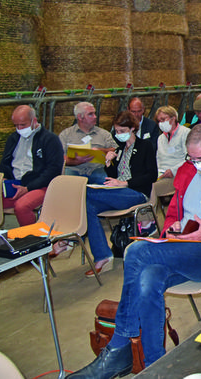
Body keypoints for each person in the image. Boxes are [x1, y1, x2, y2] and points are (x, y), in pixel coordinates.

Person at [67, 124, 201, 378]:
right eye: (191, 158)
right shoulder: (188, 171)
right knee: (148, 277)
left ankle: (119, 346)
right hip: (183, 246)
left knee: (137, 251)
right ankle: (155, 366)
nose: (195, 164)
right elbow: (174, 213)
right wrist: (173, 227)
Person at [83, 111, 158, 277]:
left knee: (85, 192)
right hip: (118, 192)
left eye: (122, 131)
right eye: (116, 131)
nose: (119, 135)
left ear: (132, 129)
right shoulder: (120, 149)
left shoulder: (145, 146)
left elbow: (151, 175)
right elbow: (115, 175)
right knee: (89, 205)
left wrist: (124, 183)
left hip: (136, 193)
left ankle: (68, 241)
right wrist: (108, 163)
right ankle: (103, 256)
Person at [0, 105, 63, 226]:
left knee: (21, 207)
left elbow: (53, 170)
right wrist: (3, 178)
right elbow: (5, 163)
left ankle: (31, 240)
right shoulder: (13, 138)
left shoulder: (50, 139)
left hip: (40, 186)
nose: (19, 128)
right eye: (16, 125)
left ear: (34, 121)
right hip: (14, 184)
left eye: (23, 125)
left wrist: (28, 188)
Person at [60, 102, 116, 184]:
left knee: (106, 186)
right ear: (80, 117)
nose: (95, 117)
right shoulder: (66, 134)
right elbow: (59, 157)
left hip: (97, 169)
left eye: (95, 113)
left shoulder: (104, 134)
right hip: (74, 170)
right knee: (68, 188)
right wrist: (75, 161)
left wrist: (101, 150)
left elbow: (115, 149)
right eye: (90, 114)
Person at [155, 105, 191, 181]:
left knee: (154, 188)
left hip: (178, 173)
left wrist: (173, 171)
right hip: (161, 174)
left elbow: (189, 158)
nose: (161, 123)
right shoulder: (161, 138)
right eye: (159, 121)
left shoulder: (185, 133)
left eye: (163, 119)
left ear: (173, 118)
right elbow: (158, 159)